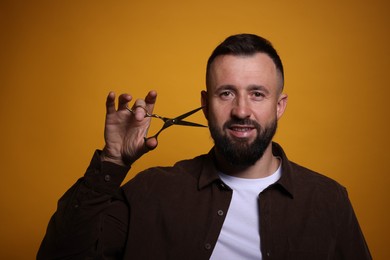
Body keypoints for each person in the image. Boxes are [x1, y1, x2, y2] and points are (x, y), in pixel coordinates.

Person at [37, 34, 372, 259]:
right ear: (206, 103)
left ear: (279, 105)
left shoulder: (329, 202)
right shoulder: (151, 192)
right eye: (226, 93)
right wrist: (111, 162)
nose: (241, 110)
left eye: (257, 93)